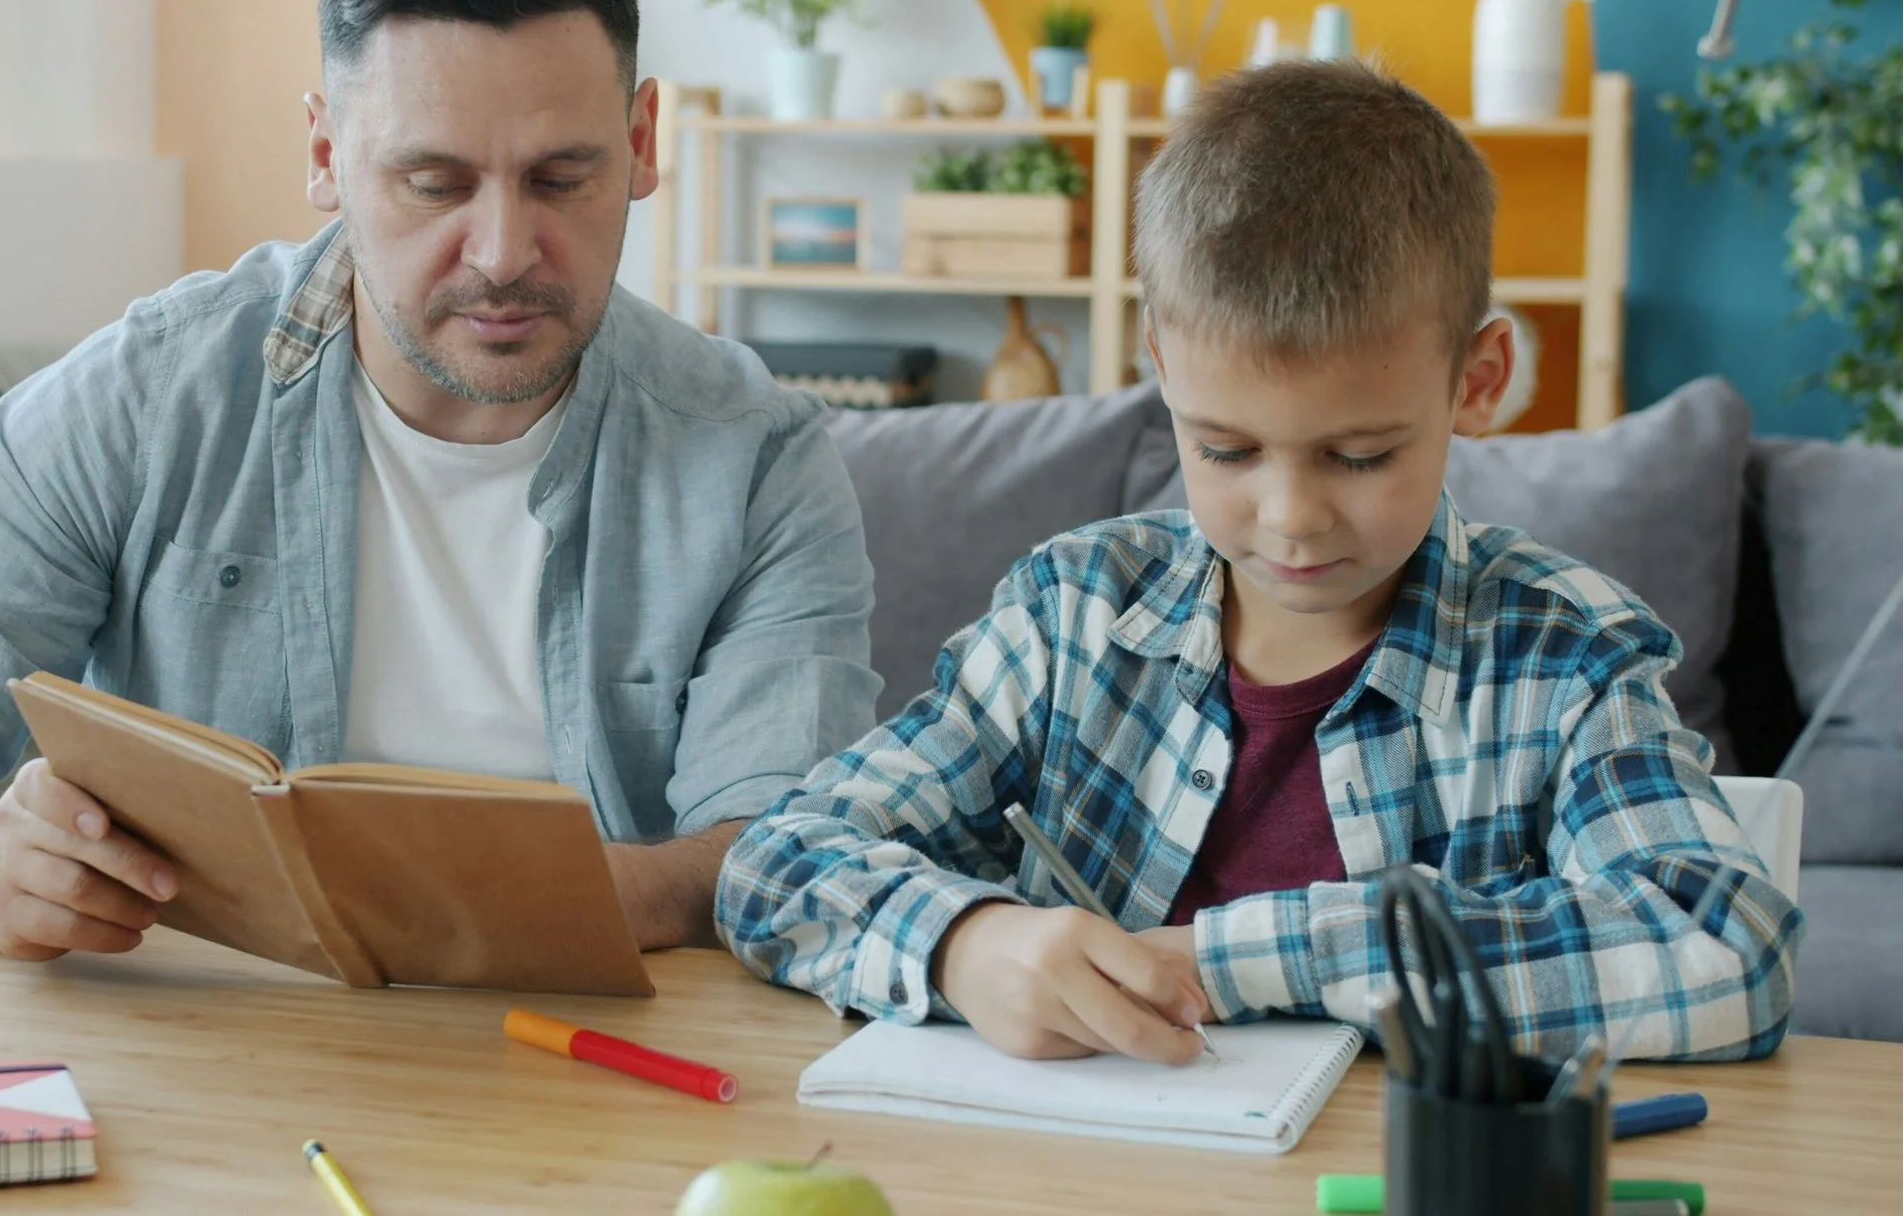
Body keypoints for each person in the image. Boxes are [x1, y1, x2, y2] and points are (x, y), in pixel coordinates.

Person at [0, 0, 879, 963]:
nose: (500, 253)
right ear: (328, 154)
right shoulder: (147, 395)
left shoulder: (756, 461)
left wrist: (439, 902)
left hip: (610, 1072)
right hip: (216, 1065)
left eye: (559, 178)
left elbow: (776, 852)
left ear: (638, 144)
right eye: (433, 183)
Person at [714, 60, 1802, 1065]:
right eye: (1224, 448)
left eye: (1359, 454)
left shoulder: (1563, 655)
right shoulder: (1071, 616)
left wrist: (1234, 958)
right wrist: (962, 941)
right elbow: (774, 863)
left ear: (1477, 382)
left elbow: (1724, 945)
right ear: (1163, 372)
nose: (1289, 518)